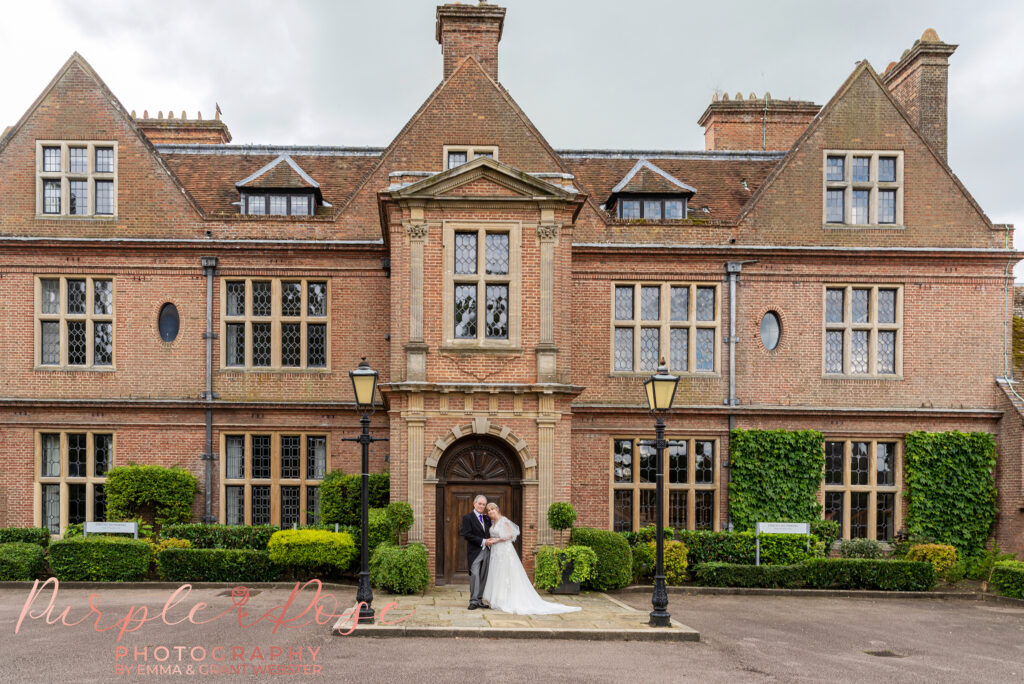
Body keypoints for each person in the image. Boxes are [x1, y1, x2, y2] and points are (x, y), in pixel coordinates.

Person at [481, 503, 582, 615]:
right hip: (496, 552)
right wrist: (492, 540)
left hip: (505, 551)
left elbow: (511, 535)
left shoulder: (504, 520)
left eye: (492, 509)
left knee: (506, 574)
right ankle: (498, 599)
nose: (490, 512)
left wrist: (496, 540)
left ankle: (507, 600)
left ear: (497, 510)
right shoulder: (493, 522)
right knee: (497, 574)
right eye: (489, 510)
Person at [458, 494, 493, 610]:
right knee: (475, 575)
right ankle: (473, 601)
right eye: (480, 504)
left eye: (483, 504)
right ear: (474, 503)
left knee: (484, 576)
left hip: (488, 551)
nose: (482, 506)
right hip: (475, 551)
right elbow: (467, 534)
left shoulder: (487, 518)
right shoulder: (468, 517)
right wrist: (483, 541)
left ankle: (479, 600)